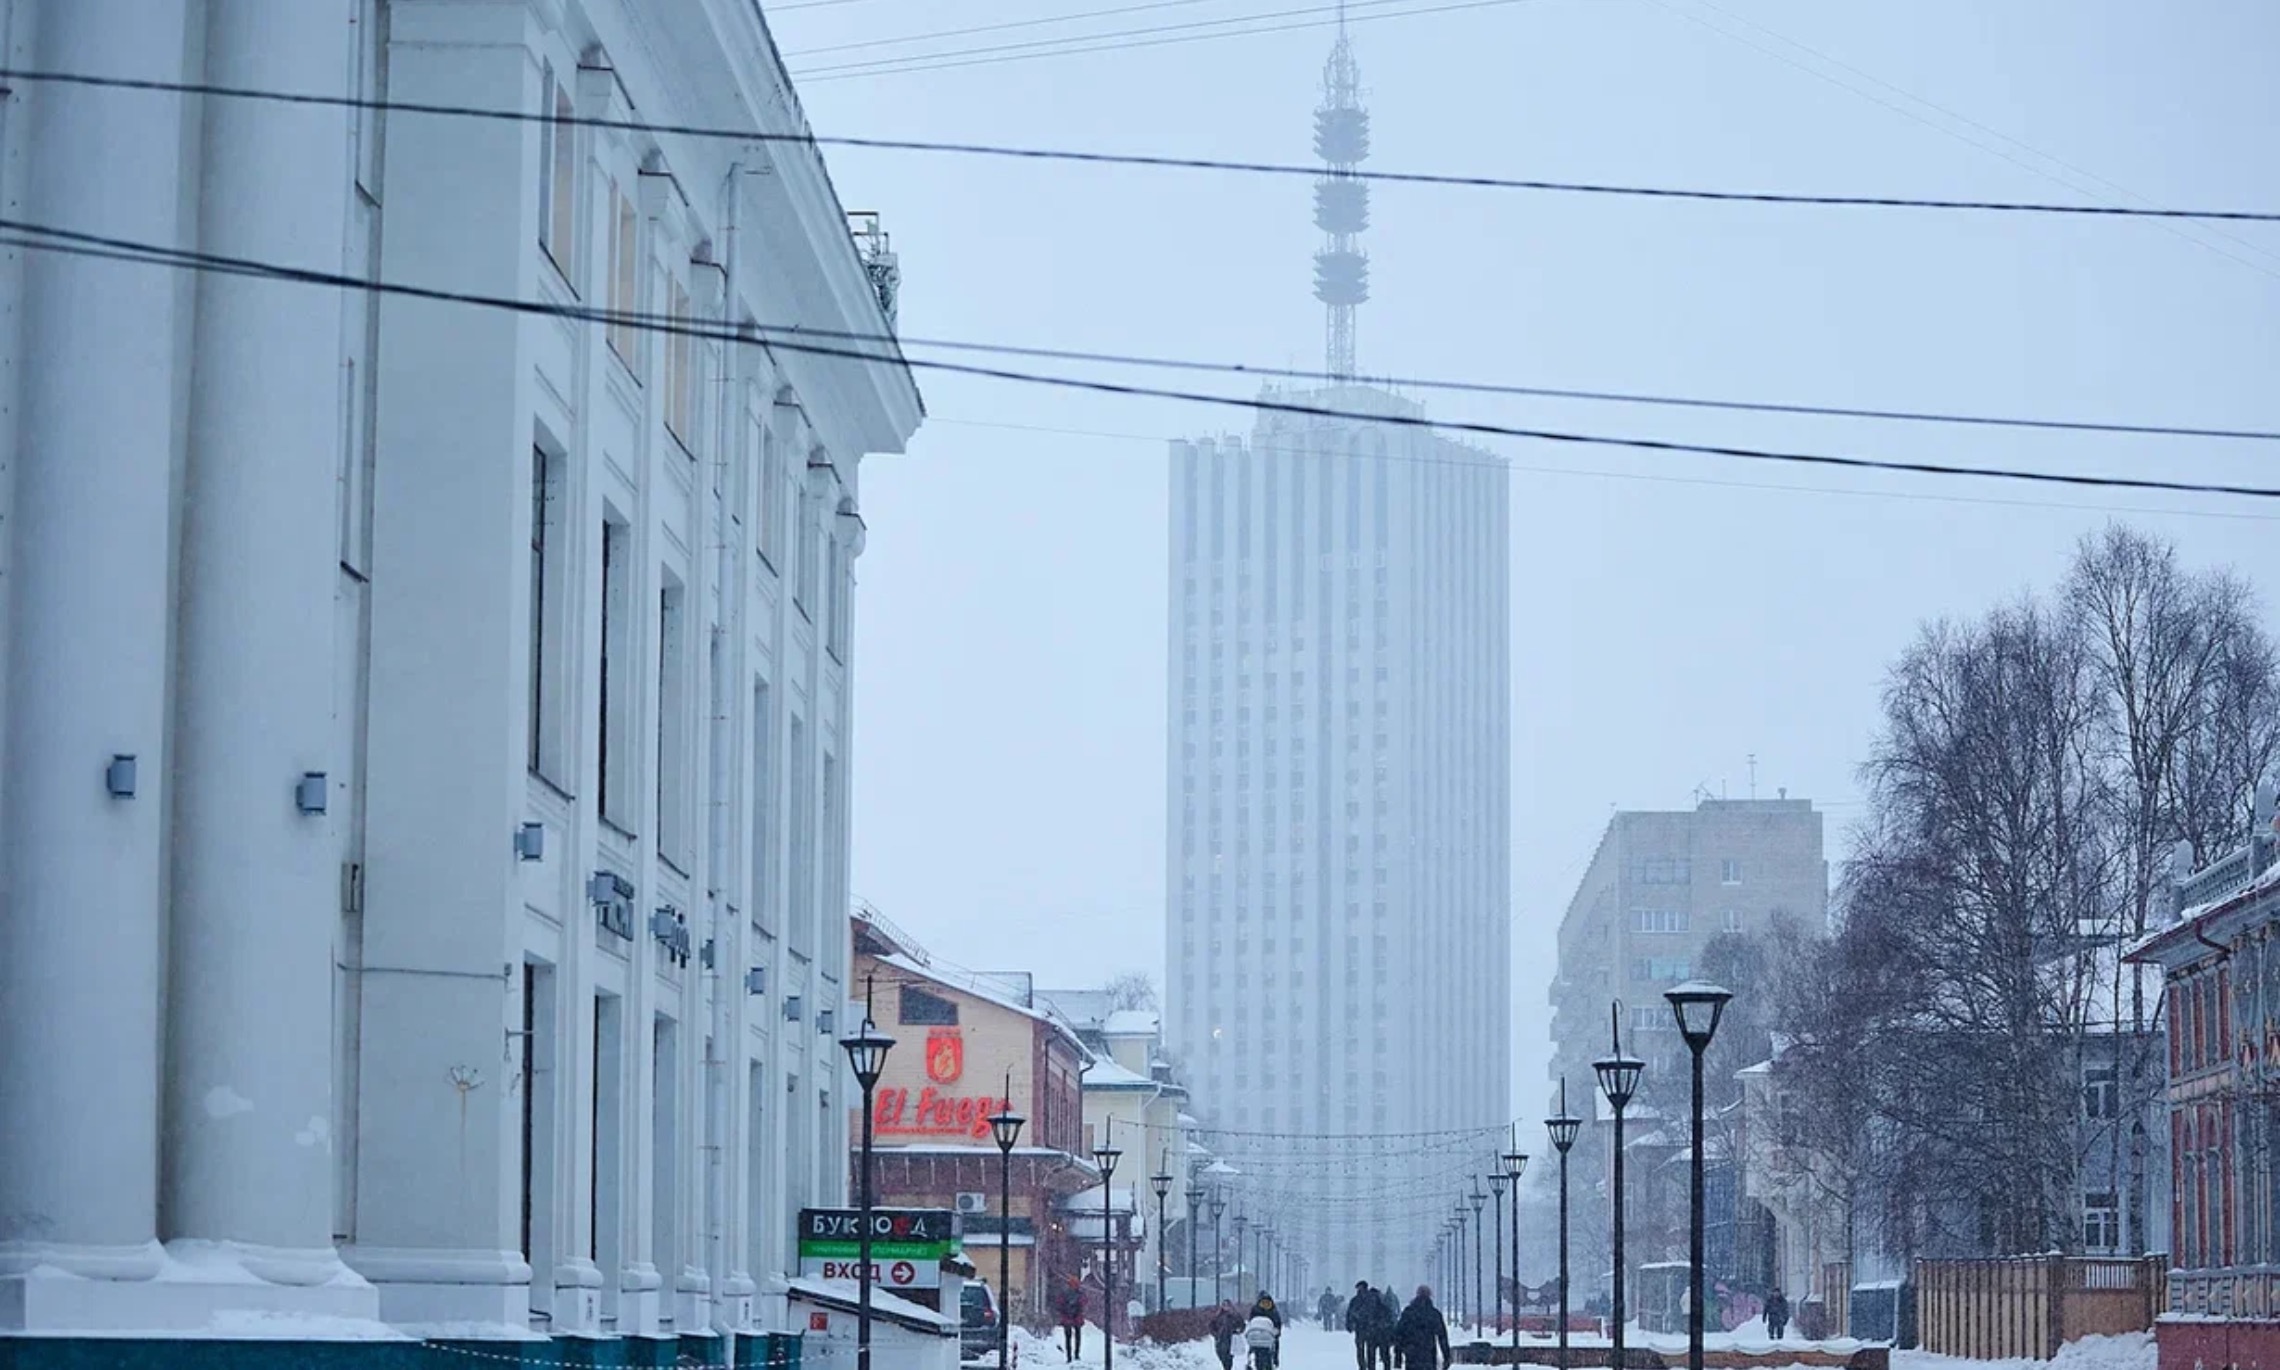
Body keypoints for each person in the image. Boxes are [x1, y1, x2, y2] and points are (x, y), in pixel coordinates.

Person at [1393, 1285, 1452, 1370]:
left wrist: (1398, 1356)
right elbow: (1442, 1337)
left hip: (1411, 1354)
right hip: (1428, 1354)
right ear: (1429, 1296)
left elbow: (1399, 1334)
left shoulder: (1408, 1312)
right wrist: (1446, 1356)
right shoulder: (1434, 1314)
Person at [1347, 1280, 1390, 1370]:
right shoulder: (1367, 1299)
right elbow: (1350, 1313)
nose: (1359, 1290)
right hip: (1368, 1328)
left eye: (1360, 1288)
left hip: (1367, 1328)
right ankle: (1366, 1366)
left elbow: (1350, 1313)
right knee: (1366, 1350)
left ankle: (1366, 1366)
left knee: (1365, 1350)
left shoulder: (1361, 1299)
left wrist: (1350, 1323)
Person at [1054, 1274, 1086, 1362]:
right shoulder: (1079, 1293)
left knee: (1069, 1337)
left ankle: (1071, 1356)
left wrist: (1064, 1312)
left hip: (1069, 1317)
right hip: (1074, 1317)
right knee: (1076, 1337)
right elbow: (1083, 1303)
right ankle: (1075, 1355)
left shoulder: (1064, 1293)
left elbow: (1059, 1304)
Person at [1244, 1304, 1282, 1370]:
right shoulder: (1272, 1310)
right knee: (1268, 1356)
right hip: (1264, 1339)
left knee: (1258, 1356)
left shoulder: (1256, 1309)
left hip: (1259, 1339)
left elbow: (1251, 1321)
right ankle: (1272, 1363)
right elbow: (1277, 1323)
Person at [1210, 1300, 1244, 1370]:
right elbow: (1211, 1326)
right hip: (1220, 1340)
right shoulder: (1218, 1316)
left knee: (1229, 1358)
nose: (1226, 1307)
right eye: (1224, 1305)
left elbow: (1242, 1325)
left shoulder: (1235, 1315)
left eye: (1227, 1305)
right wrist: (1216, 1334)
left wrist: (1238, 1330)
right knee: (1221, 1355)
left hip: (1231, 1340)